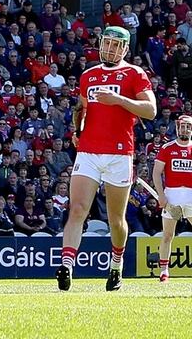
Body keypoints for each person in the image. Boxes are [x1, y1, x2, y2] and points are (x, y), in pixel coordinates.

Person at [57, 26, 156, 292]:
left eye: (115, 45)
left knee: (116, 219)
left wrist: (119, 99)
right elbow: (81, 108)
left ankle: (116, 263)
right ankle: (66, 266)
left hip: (119, 153)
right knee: (77, 209)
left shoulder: (135, 74)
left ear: (124, 48)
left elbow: (150, 110)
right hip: (89, 151)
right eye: (106, 43)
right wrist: (76, 131)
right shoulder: (89, 75)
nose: (109, 49)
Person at [152, 115, 192, 283]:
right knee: (168, 234)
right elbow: (156, 173)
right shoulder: (167, 148)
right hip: (172, 195)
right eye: (182, 126)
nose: (185, 129)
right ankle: (164, 271)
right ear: (177, 128)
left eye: (188, 126)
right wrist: (161, 195)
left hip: (191, 195)